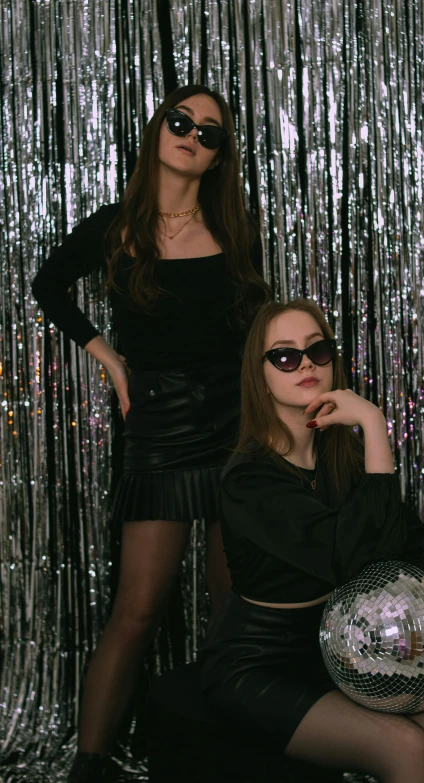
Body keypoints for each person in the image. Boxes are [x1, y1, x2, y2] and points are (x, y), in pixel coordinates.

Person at [31, 84, 271, 782]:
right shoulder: (117, 226)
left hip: (237, 426)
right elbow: (47, 283)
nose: (192, 135)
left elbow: (254, 329)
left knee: (235, 607)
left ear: (218, 157)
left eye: (210, 132)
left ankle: (238, 757)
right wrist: (106, 356)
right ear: (156, 130)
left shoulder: (233, 230)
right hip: (161, 428)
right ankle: (91, 763)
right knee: (136, 611)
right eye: (180, 121)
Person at [199, 298, 424, 783]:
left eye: (318, 351)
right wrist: (375, 424)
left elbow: (407, 535)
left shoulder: (340, 457)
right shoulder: (248, 481)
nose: (307, 365)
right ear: (260, 374)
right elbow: (353, 558)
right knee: (406, 747)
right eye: (285, 356)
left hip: (333, 652)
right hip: (254, 665)